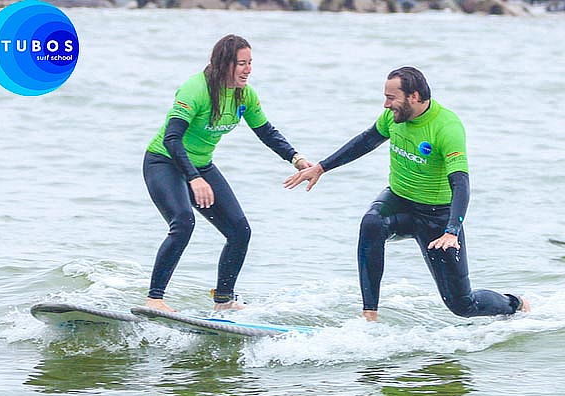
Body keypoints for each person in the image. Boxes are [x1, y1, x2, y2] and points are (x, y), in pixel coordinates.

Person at [284, 66, 530, 321]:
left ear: (413, 96)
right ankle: (369, 316)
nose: (386, 105)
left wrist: (451, 231)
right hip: (399, 202)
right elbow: (366, 140)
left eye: (391, 98)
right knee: (372, 223)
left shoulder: (446, 126)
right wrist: (322, 168)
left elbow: (460, 183)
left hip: (438, 218)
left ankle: (515, 304)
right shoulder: (394, 118)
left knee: (462, 305)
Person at [143, 34, 311, 312]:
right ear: (224, 64)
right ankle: (154, 299)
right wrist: (194, 178)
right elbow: (172, 139)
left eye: (250, 63)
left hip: (201, 165)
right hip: (164, 162)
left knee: (239, 231)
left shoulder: (244, 95)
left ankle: (223, 300)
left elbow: (266, 131)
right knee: (183, 222)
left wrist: (296, 158)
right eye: (241, 63)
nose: (248, 69)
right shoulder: (194, 89)